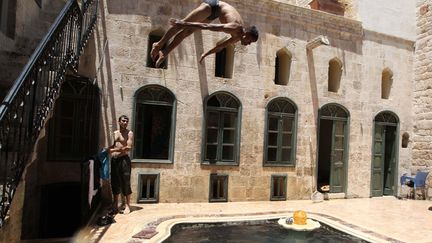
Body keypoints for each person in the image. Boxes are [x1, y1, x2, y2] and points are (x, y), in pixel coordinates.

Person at [151, 0, 259, 67]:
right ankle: (159, 44)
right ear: (247, 34)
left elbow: (220, 46)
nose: (248, 44)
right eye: (250, 41)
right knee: (181, 25)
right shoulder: (235, 27)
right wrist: (185, 23)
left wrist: (206, 54)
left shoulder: (237, 38)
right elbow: (208, 27)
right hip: (212, 6)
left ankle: (164, 52)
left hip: (215, 14)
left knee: (186, 32)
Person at [108, 115, 134, 214]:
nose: (125, 122)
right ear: (119, 122)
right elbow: (111, 146)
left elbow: (128, 147)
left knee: (126, 181)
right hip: (114, 160)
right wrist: (108, 150)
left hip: (124, 160)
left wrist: (114, 150)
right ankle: (115, 203)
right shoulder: (115, 133)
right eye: (123, 121)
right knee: (114, 181)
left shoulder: (129, 133)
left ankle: (127, 205)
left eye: (127, 121)